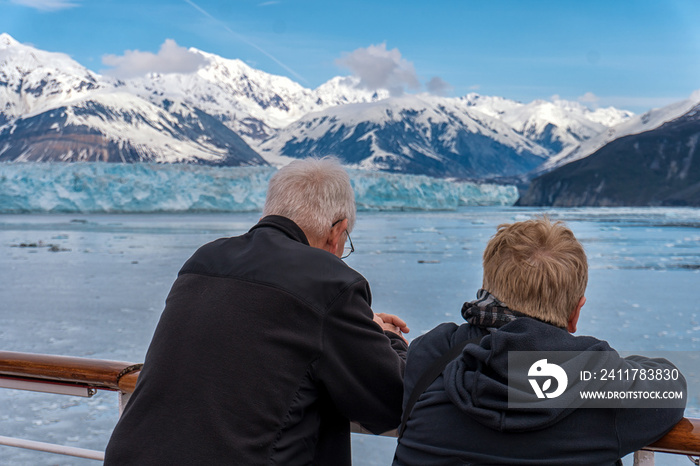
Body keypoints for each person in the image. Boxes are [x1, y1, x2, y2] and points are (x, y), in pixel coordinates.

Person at [104, 157, 409, 465]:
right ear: (337, 230)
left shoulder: (204, 261)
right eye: (346, 241)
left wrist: (359, 327)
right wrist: (385, 337)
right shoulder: (330, 282)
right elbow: (392, 398)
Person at [394, 217, 686, 465]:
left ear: (486, 292)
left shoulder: (433, 353)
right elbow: (670, 385)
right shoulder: (595, 381)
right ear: (575, 312)